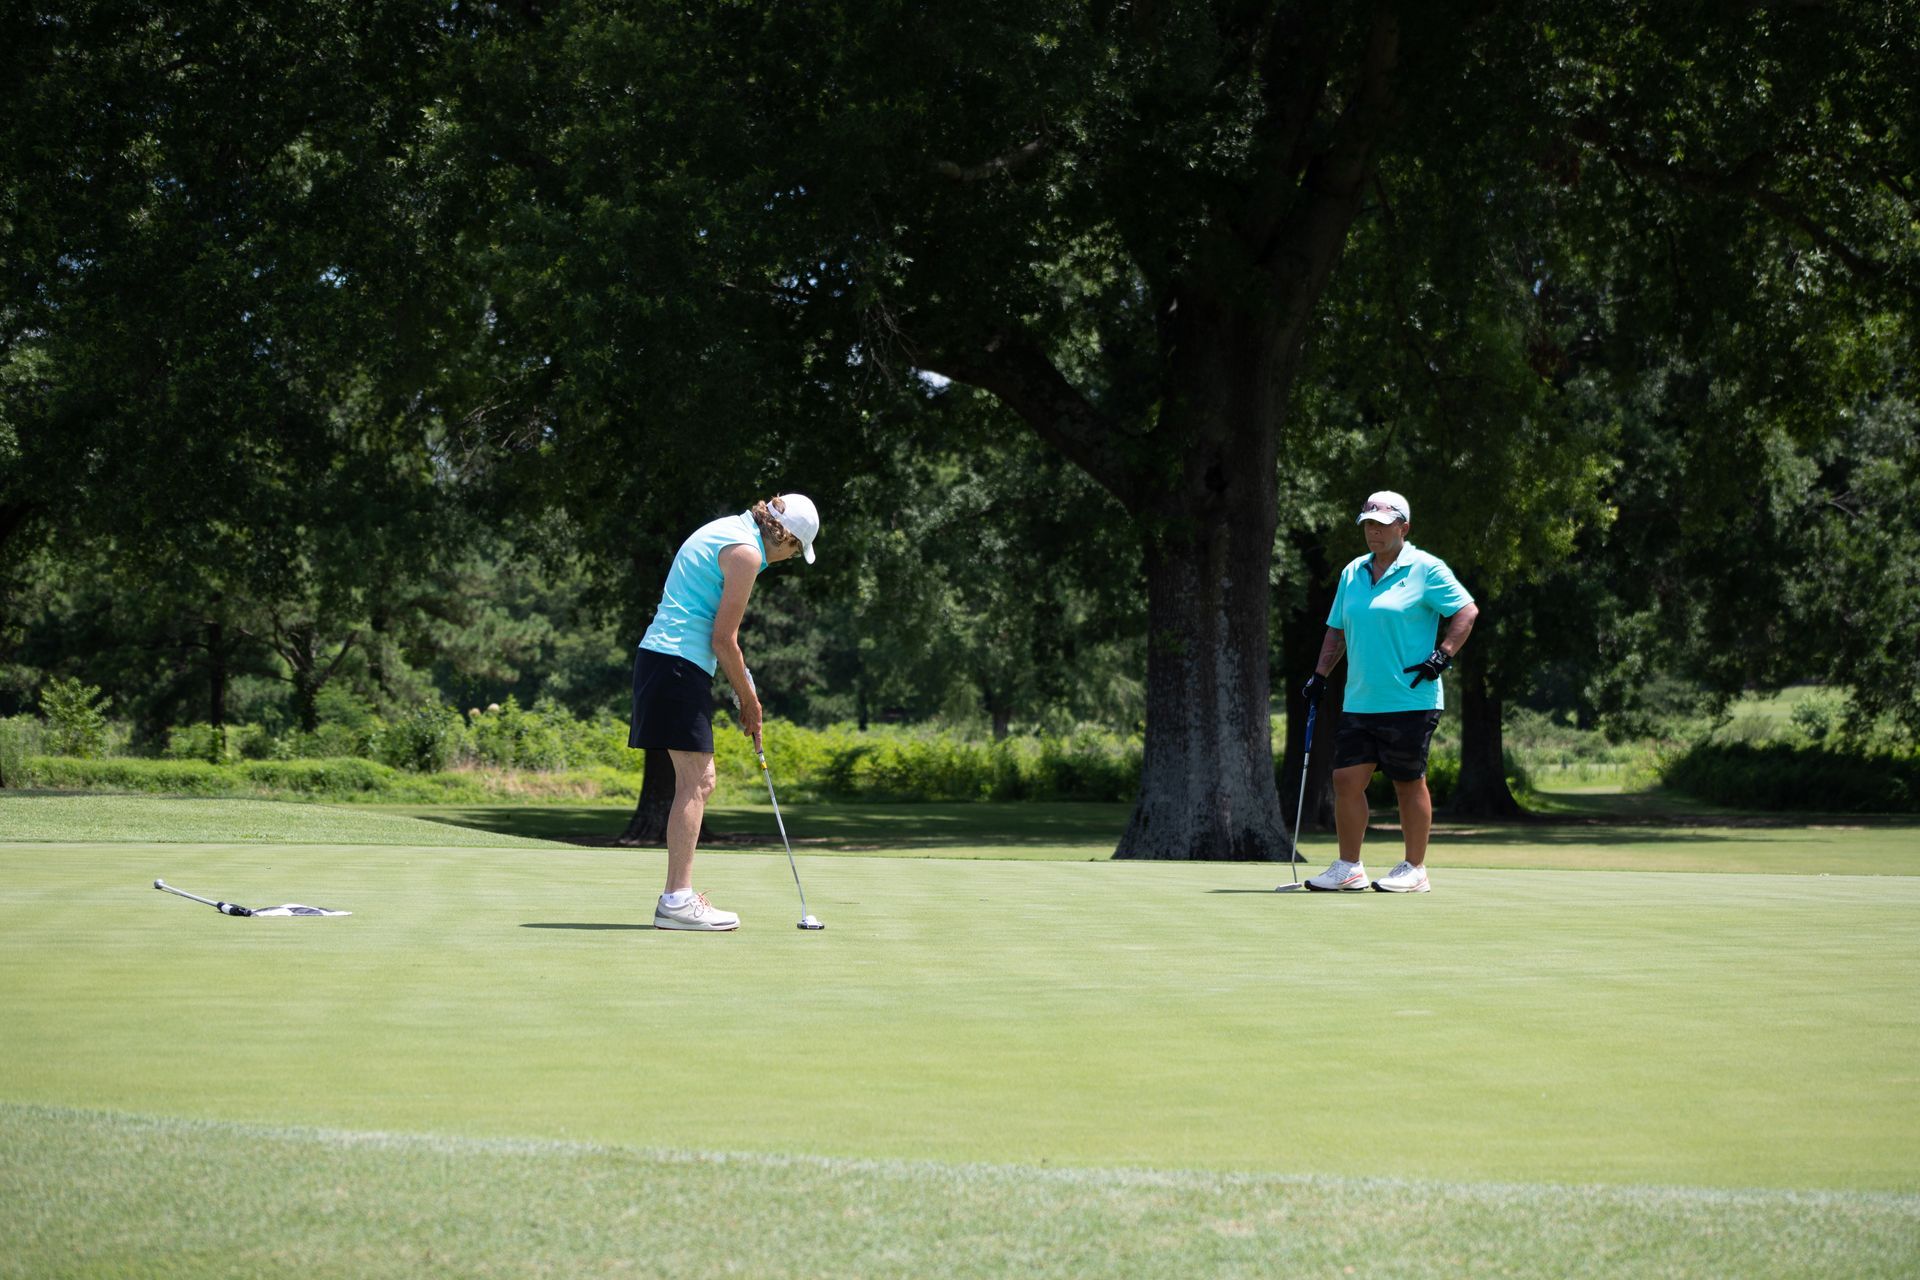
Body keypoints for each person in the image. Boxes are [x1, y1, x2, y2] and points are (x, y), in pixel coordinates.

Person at [630, 494, 820, 930]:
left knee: (698, 780)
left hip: (669, 662)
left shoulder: (728, 530)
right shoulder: (746, 553)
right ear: (787, 537)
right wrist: (750, 702)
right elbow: (723, 638)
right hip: (676, 664)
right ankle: (676, 901)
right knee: (698, 781)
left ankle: (676, 898)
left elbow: (720, 637)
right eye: (795, 551)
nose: (789, 559)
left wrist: (745, 689)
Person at [1298, 490, 1478, 893]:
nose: (1373, 532)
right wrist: (1320, 675)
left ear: (1404, 528)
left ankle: (1415, 869)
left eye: (1381, 525)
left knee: (1407, 781)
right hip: (1361, 699)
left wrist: (1442, 655)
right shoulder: (1353, 572)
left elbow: (1466, 611)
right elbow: (1336, 630)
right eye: (1368, 525)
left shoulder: (1426, 568)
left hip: (1411, 697)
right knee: (1346, 780)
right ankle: (1349, 868)